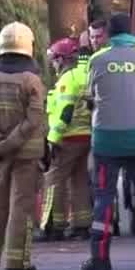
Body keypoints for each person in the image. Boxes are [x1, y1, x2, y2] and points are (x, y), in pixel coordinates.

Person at [83, 13, 135, 270]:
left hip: (107, 140)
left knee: (104, 198)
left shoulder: (98, 59)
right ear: (132, 31)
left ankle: (100, 258)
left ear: (108, 34)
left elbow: (89, 96)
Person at [0, 21, 48, 270]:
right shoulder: (32, 81)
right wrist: (11, 143)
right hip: (25, 155)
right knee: (20, 207)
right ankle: (17, 263)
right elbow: (33, 120)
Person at [40, 37, 93, 241]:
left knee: (54, 181)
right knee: (79, 180)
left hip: (67, 138)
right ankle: (82, 225)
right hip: (86, 136)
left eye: (54, 59)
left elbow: (65, 112)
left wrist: (52, 139)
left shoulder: (67, 79)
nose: (53, 64)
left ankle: (54, 225)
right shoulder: (85, 74)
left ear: (62, 59)